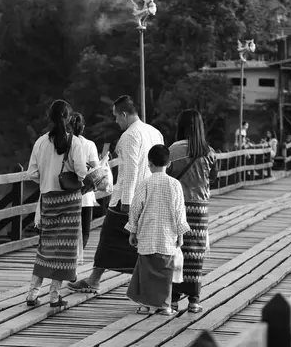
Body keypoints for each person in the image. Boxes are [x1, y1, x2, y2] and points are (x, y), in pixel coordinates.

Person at [68, 95, 164, 293]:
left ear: (124, 114)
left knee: (109, 240)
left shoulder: (130, 136)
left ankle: (96, 280)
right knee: (141, 242)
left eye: (116, 117)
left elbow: (129, 172)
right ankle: (98, 278)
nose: (116, 121)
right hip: (151, 194)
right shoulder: (155, 132)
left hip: (128, 198)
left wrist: (126, 204)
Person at [26, 100, 87, 307]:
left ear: (49, 117)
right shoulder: (75, 143)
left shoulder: (41, 142)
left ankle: (32, 294)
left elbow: (32, 173)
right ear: (70, 118)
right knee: (64, 251)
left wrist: (46, 181)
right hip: (69, 202)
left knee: (45, 249)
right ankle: (54, 296)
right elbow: (81, 172)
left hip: (48, 200)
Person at [125, 145, 190, 316]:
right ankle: (164, 305)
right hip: (168, 235)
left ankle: (147, 305)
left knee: (146, 270)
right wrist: (180, 234)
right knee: (165, 271)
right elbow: (179, 210)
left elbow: (135, 208)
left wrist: (132, 230)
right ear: (168, 164)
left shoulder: (145, 182)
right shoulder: (175, 184)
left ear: (149, 163)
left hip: (147, 233)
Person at [167, 109, 217, 314]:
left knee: (176, 251)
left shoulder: (173, 150)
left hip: (177, 205)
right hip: (199, 209)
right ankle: (194, 300)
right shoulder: (209, 152)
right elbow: (212, 179)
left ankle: (174, 299)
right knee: (196, 254)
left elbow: (167, 174)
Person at [70, 112, 99, 250]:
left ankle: (67, 259)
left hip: (67, 193)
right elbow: (96, 168)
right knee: (85, 230)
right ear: (83, 127)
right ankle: (78, 257)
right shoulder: (89, 144)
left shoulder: (64, 143)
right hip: (85, 194)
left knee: (68, 231)